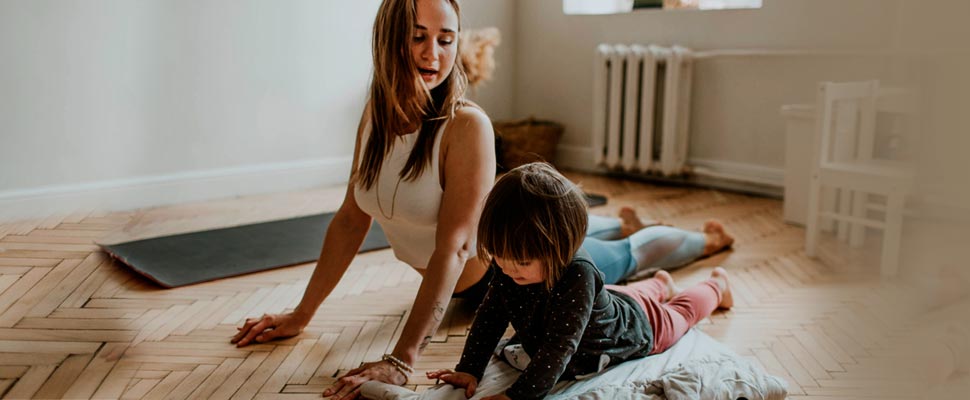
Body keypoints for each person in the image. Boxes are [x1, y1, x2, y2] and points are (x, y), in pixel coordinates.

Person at [231, 0, 732, 398]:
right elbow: (348, 220)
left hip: (510, 272)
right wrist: (301, 315)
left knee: (626, 257)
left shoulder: (465, 125)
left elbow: (452, 249)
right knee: (604, 246)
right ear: (388, 39)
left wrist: (404, 358)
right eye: (418, 36)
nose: (433, 54)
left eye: (446, 40)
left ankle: (704, 241)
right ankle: (614, 226)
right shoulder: (375, 117)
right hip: (504, 258)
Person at [427, 163, 735, 400]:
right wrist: (469, 368)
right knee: (627, 295)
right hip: (606, 302)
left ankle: (716, 286)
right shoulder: (511, 266)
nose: (507, 270)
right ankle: (660, 284)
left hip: (637, 326)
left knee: (680, 314)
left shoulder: (578, 274)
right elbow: (491, 315)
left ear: (560, 248)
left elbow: (559, 348)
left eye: (521, 263)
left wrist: (518, 396)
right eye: (499, 258)